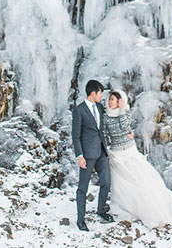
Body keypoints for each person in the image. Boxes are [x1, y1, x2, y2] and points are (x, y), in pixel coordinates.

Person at [103, 89, 172, 227]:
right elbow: (107, 132)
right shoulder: (106, 116)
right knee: (120, 184)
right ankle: (125, 207)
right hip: (115, 153)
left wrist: (122, 110)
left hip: (129, 151)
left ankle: (148, 207)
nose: (110, 102)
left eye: (114, 100)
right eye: (109, 99)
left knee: (138, 179)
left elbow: (124, 126)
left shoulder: (125, 113)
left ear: (120, 101)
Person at [72, 79, 114, 231]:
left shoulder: (99, 107)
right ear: (93, 93)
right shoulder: (79, 110)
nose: (101, 96)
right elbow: (75, 135)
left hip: (101, 152)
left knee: (106, 183)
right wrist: (79, 155)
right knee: (83, 187)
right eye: (100, 93)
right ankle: (80, 220)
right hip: (87, 155)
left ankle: (101, 210)